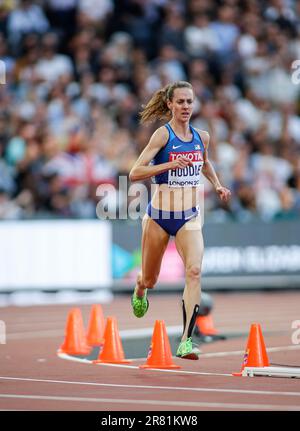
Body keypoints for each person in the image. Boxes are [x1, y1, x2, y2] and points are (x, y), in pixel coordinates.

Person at [129, 81, 231, 359]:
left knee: (194, 272)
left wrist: (218, 183)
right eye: (181, 102)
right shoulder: (162, 136)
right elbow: (135, 172)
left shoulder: (202, 137)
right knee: (151, 279)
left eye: (190, 102)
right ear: (170, 105)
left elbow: (204, 162)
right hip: (159, 217)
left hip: (189, 217)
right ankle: (140, 288)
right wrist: (169, 165)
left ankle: (186, 340)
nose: (186, 107)